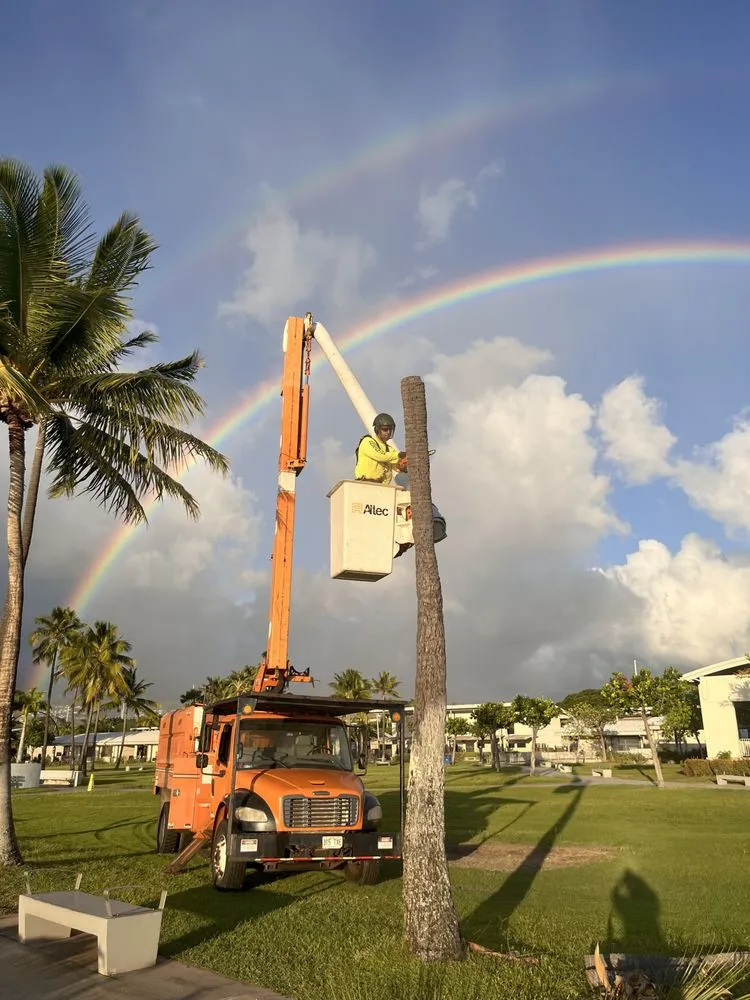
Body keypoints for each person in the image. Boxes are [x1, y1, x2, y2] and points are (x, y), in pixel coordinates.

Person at [354, 412, 408, 487]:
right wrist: (399, 454)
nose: (388, 432)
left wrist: (404, 465)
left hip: (381, 486)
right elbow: (380, 456)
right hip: (365, 484)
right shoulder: (368, 441)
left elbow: (396, 466)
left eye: (390, 430)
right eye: (385, 429)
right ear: (377, 429)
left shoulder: (389, 449)